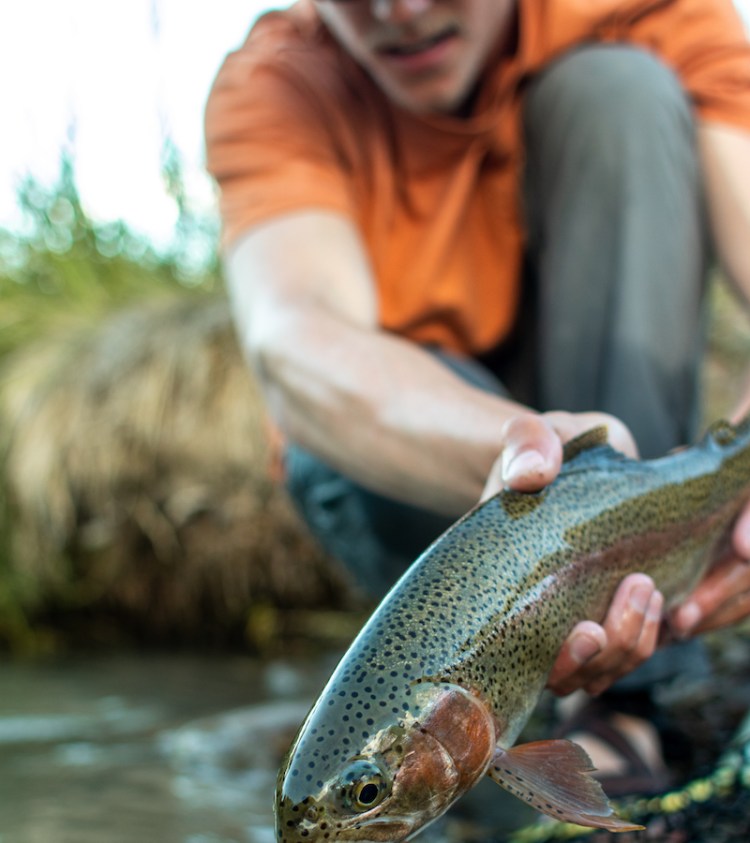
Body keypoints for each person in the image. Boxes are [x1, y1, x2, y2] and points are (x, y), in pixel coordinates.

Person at [205, 0, 750, 798]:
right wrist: (516, 445)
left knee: (618, 91)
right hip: (413, 451)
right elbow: (295, 341)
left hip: (617, 429)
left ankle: (637, 699)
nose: (402, 10)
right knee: (328, 433)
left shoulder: (643, 8)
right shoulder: (280, 83)